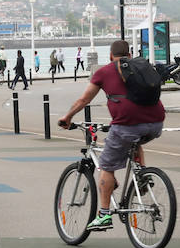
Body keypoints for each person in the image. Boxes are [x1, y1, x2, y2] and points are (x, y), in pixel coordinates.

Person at [58, 39, 166, 231]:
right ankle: (141, 175)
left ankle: (104, 214)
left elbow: (84, 99)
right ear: (129, 55)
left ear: (110, 56)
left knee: (106, 166)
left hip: (127, 124)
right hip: (156, 123)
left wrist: (67, 117)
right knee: (134, 141)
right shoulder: (141, 67)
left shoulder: (105, 71)